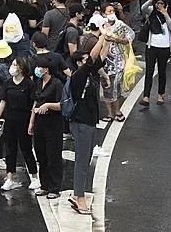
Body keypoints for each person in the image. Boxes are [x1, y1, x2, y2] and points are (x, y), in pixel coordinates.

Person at [69, 32, 107, 215]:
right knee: (82, 161)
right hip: (82, 123)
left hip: (89, 122)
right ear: (78, 63)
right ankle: (79, 197)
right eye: (85, 60)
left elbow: (100, 58)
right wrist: (102, 37)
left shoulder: (89, 74)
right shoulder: (78, 76)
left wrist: (107, 40)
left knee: (85, 159)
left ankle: (78, 194)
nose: (89, 62)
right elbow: (93, 56)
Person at [0, 57, 38, 191]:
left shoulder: (29, 84)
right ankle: (10, 177)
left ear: (21, 68)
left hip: (24, 119)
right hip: (10, 119)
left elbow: (34, 104)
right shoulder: (8, 82)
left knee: (26, 148)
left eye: (15, 65)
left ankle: (34, 176)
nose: (12, 67)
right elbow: (3, 101)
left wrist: (31, 122)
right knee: (10, 149)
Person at [30, 53, 64, 198]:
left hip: (53, 124)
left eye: (40, 67)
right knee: (41, 155)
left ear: (47, 69)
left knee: (53, 156)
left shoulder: (57, 85)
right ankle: (45, 185)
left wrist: (48, 105)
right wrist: (31, 122)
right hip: (39, 124)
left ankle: (55, 188)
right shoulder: (38, 83)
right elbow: (35, 103)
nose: (38, 69)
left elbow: (62, 105)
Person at [139, 0, 171, 106]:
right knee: (149, 71)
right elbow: (143, 8)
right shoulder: (151, 12)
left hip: (164, 47)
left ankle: (160, 94)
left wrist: (166, 15)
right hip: (152, 46)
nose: (159, 6)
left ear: (166, 5)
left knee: (162, 71)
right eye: (157, 4)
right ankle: (146, 96)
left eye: (161, 4)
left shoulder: (169, 12)